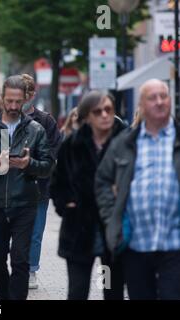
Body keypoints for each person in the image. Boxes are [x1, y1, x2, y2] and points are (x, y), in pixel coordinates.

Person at [0, 75, 54, 300]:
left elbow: (48, 166)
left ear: (26, 99)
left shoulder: (35, 130)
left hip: (25, 203)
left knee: (20, 260)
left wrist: (29, 165)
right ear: (3, 99)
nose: (14, 106)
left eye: (18, 101)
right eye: (9, 101)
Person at [95, 79, 180, 300]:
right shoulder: (124, 143)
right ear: (141, 104)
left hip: (175, 244)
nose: (159, 102)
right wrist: (111, 216)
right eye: (152, 97)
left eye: (164, 96)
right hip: (135, 243)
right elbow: (102, 181)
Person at [50, 91, 126, 300]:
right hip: (79, 232)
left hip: (112, 234)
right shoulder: (72, 145)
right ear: (87, 116)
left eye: (108, 110)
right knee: (78, 291)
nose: (104, 115)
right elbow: (57, 183)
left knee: (111, 291)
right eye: (97, 111)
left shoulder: (125, 143)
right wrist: (65, 204)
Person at [21, 74, 62, 289]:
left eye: (24, 94)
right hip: (10, 188)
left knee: (35, 232)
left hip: (38, 186)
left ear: (32, 95)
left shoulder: (46, 120)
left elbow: (55, 150)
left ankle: (31, 270)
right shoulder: (3, 120)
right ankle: (19, 266)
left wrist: (38, 164)